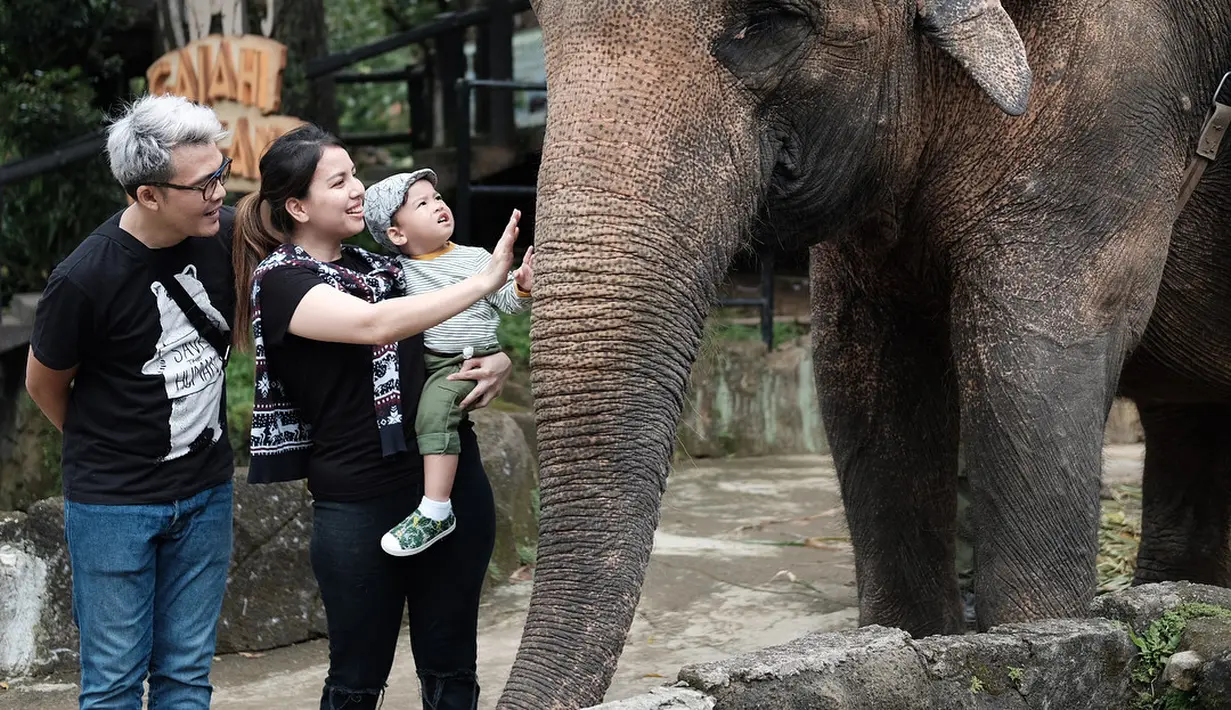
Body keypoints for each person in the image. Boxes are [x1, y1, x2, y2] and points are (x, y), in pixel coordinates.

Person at [230, 123, 522, 710]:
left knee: (453, 669)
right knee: (357, 680)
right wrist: (486, 279)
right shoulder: (282, 281)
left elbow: (447, 334)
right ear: (298, 206)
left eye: (355, 175)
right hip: (358, 502)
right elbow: (373, 325)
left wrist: (498, 359)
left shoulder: (385, 267)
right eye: (338, 181)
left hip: (450, 484)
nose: (358, 189)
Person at [24, 93, 236, 709]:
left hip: (206, 490)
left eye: (222, 172)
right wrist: (108, 447)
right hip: (114, 506)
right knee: (114, 683)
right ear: (149, 194)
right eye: (205, 183)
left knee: (186, 675)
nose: (221, 192)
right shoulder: (83, 278)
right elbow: (44, 384)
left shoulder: (222, 234)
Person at [363, 169, 533, 557]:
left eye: (437, 197)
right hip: (431, 362)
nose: (438, 205)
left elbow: (507, 302)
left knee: (435, 414)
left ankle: (436, 509)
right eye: (421, 204)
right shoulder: (397, 273)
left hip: (468, 361)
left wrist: (523, 284)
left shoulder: (475, 258)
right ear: (397, 235)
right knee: (428, 410)